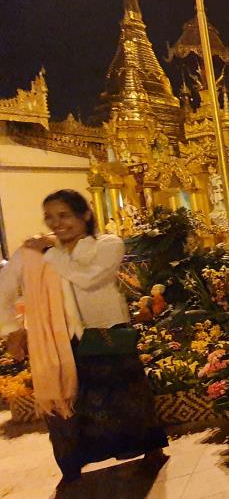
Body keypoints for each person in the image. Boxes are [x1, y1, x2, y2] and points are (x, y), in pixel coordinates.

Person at [0, 190, 168, 489]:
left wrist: (51, 252)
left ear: (85, 215)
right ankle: (72, 466)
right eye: (50, 217)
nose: (56, 223)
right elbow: (4, 290)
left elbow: (89, 277)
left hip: (104, 332)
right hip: (57, 341)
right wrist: (12, 329)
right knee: (67, 406)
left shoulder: (107, 245)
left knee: (126, 397)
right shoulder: (32, 253)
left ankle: (150, 450)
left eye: (64, 215)